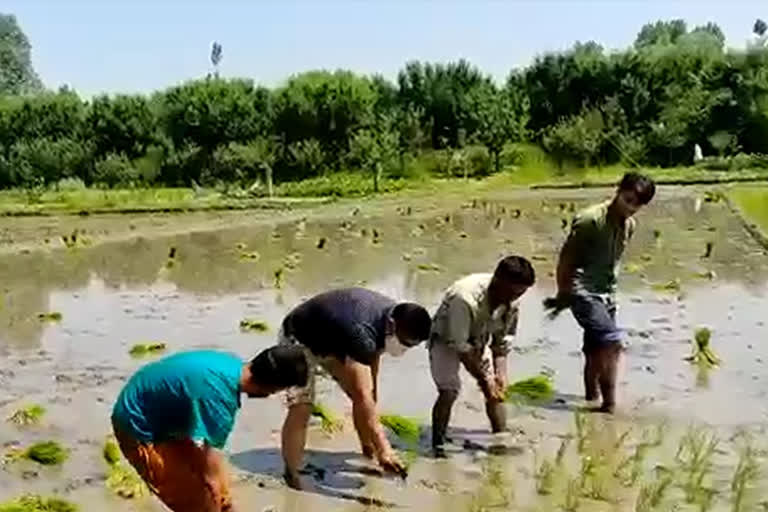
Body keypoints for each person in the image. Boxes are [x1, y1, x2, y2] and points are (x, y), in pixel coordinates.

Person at [111, 346, 308, 512]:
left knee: (222, 499)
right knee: (196, 503)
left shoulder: (231, 366)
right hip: (138, 423)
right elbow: (210, 476)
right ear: (272, 386)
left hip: (169, 417)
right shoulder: (219, 399)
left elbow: (209, 459)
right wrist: (213, 492)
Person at [277, 287, 432, 490]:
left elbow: (369, 390)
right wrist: (385, 449)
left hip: (335, 341)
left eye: (411, 346)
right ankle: (291, 473)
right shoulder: (363, 332)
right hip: (298, 338)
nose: (404, 348)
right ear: (393, 326)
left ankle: (367, 452)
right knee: (302, 406)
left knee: (364, 397)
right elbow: (363, 397)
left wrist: (373, 450)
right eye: (404, 343)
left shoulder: (386, 321)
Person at [552, 172, 656, 413]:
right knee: (611, 344)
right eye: (628, 200)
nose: (631, 208)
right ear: (618, 190)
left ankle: (591, 398)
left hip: (607, 293)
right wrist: (563, 293)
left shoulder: (629, 225)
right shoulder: (590, 221)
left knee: (595, 350)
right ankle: (609, 407)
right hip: (582, 291)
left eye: (637, 205)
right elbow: (566, 259)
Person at [429, 255, 536, 457]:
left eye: (520, 293)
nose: (515, 298)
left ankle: (500, 437)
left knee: (496, 391)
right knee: (449, 391)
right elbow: (460, 346)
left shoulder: (512, 302)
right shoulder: (464, 298)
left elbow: (501, 343)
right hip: (446, 338)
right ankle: (438, 443)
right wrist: (484, 378)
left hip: (477, 337)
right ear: (498, 281)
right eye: (512, 292)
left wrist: (500, 374)